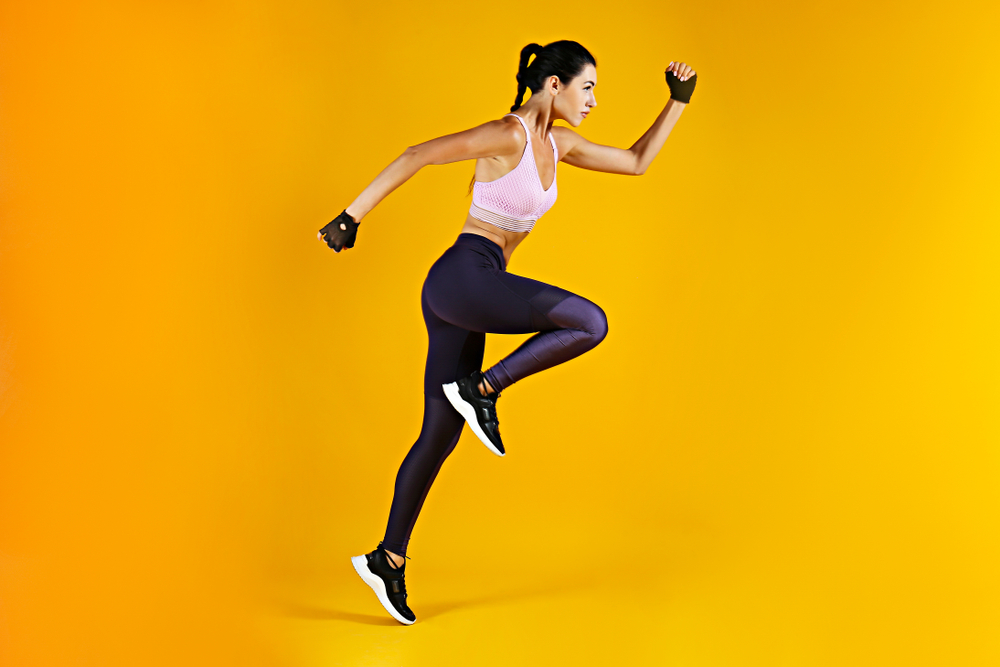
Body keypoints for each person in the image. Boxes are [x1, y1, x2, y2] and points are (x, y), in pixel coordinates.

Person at [319, 40, 697, 625]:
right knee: (588, 321)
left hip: (475, 289)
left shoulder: (560, 144)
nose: (594, 100)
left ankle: (386, 559)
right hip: (461, 277)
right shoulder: (508, 135)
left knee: (438, 436)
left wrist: (676, 103)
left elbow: (636, 162)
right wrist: (351, 217)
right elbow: (418, 153)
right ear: (555, 85)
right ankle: (483, 389)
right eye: (588, 87)